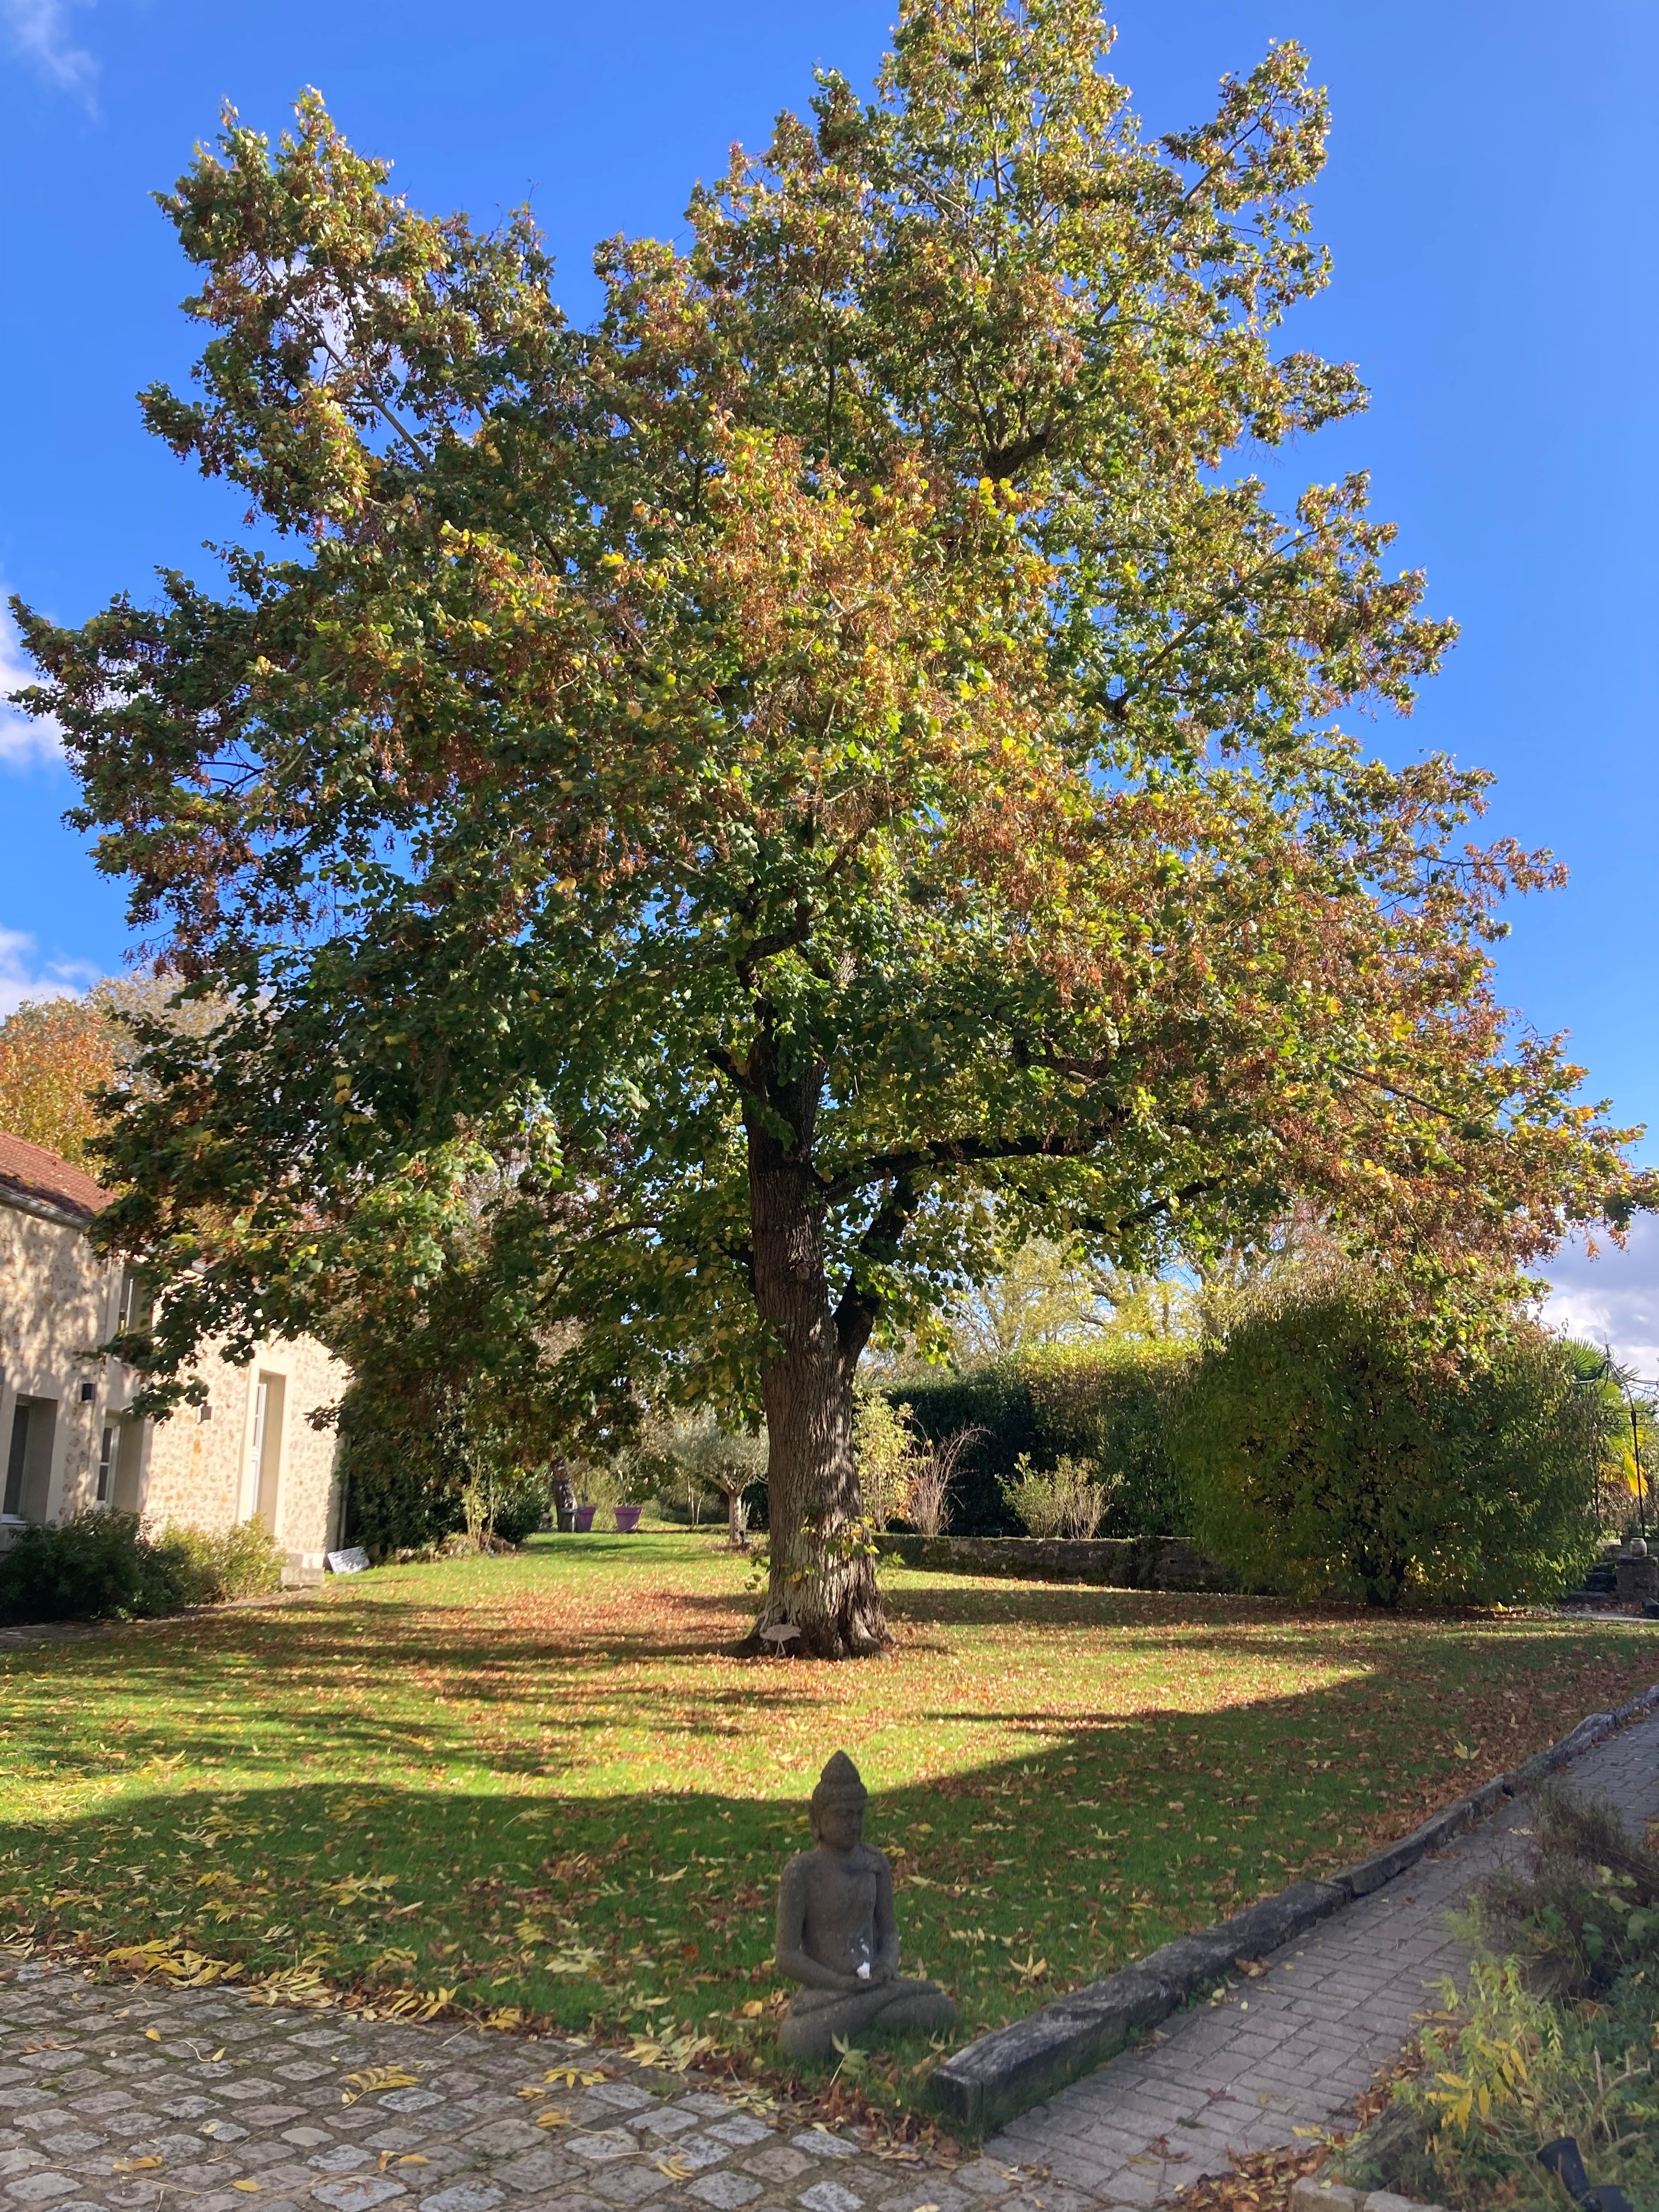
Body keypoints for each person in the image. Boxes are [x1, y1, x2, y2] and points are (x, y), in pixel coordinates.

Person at [774, 1751, 956, 2061]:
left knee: (942, 2010)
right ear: (817, 1820)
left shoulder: (874, 1861)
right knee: (797, 2041)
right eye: (844, 1815)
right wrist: (839, 1983)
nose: (854, 1824)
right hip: (828, 1993)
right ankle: (872, 2014)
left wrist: (886, 1967)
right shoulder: (802, 1872)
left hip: (874, 1983)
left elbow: (889, 1934)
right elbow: (787, 1957)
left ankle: (867, 2014)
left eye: (859, 1814)